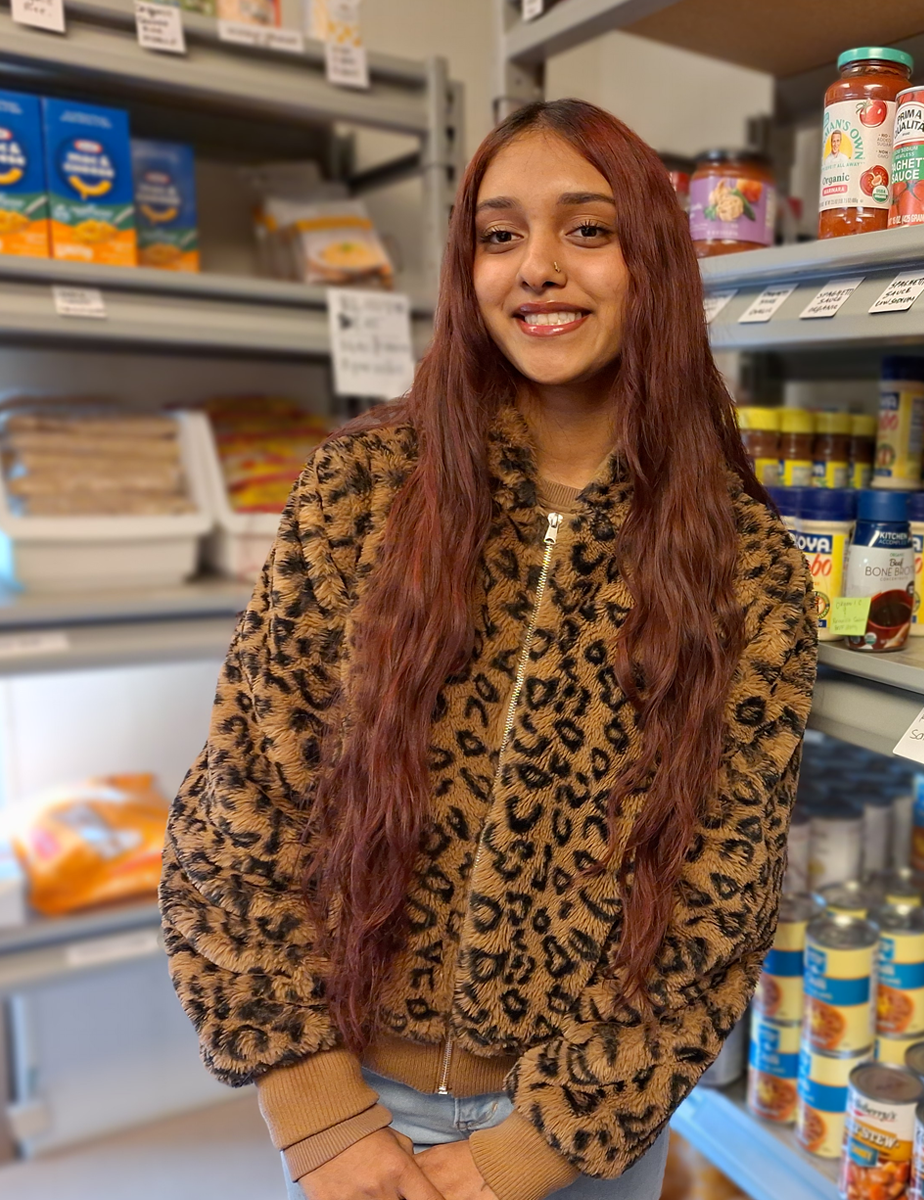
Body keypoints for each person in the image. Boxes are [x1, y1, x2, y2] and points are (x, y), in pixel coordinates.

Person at [160, 98, 817, 1200]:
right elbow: (243, 799)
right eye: (500, 235)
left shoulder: (743, 565)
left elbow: (718, 901)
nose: (539, 269)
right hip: (355, 1089)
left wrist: (531, 1151)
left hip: (583, 1128)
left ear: (654, 260)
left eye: (589, 231)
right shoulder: (361, 493)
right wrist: (318, 1115)